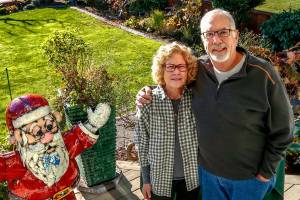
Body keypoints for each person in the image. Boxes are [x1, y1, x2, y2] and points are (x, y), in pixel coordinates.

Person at [136, 9, 294, 200]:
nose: (216, 40)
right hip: (208, 177)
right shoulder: (199, 70)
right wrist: (147, 91)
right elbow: (172, 81)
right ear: (203, 40)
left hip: (249, 180)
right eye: (209, 34)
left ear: (235, 36)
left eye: (223, 32)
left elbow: (284, 129)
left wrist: (266, 172)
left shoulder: (263, 74)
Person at [1, 94, 111, 200]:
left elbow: (78, 139)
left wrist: (92, 125)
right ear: (18, 137)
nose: (47, 138)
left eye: (49, 127)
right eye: (37, 133)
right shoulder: (16, 163)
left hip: (67, 194)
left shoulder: (63, 145)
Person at [135, 42, 200, 200]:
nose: (176, 71)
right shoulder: (148, 102)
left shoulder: (196, 99)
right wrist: (146, 179)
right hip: (159, 180)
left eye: (181, 66)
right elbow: (142, 143)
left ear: (188, 70)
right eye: (170, 66)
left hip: (191, 179)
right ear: (161, 69)